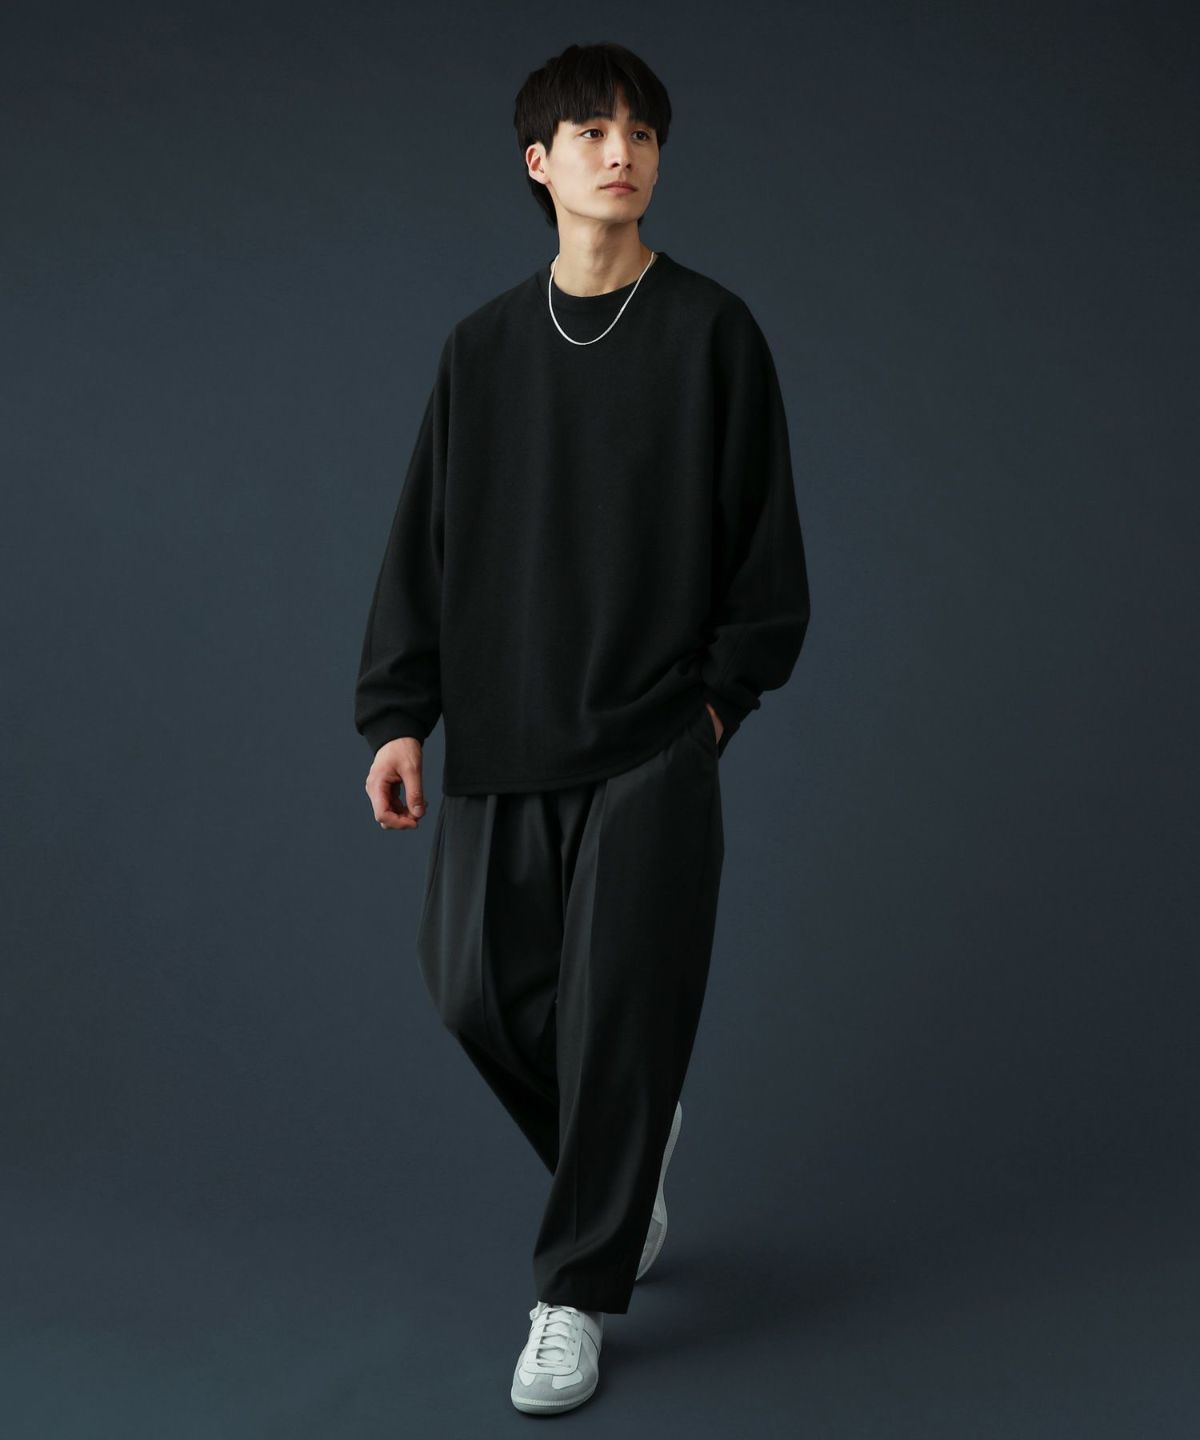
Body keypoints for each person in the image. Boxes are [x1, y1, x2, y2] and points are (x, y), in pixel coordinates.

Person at [354, 41, 811, 1416]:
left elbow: (766, 554)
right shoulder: (482, 350)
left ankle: (571, 1294)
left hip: (654, 737)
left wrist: (714, 707)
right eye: (594, 131)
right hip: (504, 729)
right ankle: (627, 1144)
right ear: (538, 162)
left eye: (643, 134)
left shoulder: (713, 333)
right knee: (472, 989)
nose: (622, 152)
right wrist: (399, 714)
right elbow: (425, 547)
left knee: (616, 1011)